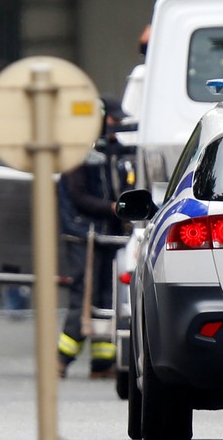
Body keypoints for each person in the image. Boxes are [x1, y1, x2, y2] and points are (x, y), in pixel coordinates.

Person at [57, 95, 136, 379]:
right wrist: (112, 208)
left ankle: (102, 363)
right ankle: (61, 358)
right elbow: (78, 196)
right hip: (83, 234)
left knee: (104, 298)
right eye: (112, 119)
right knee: (84, 294)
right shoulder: (77, 151)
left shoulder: (107, 149)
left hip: (103, 234)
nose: (115, 125)